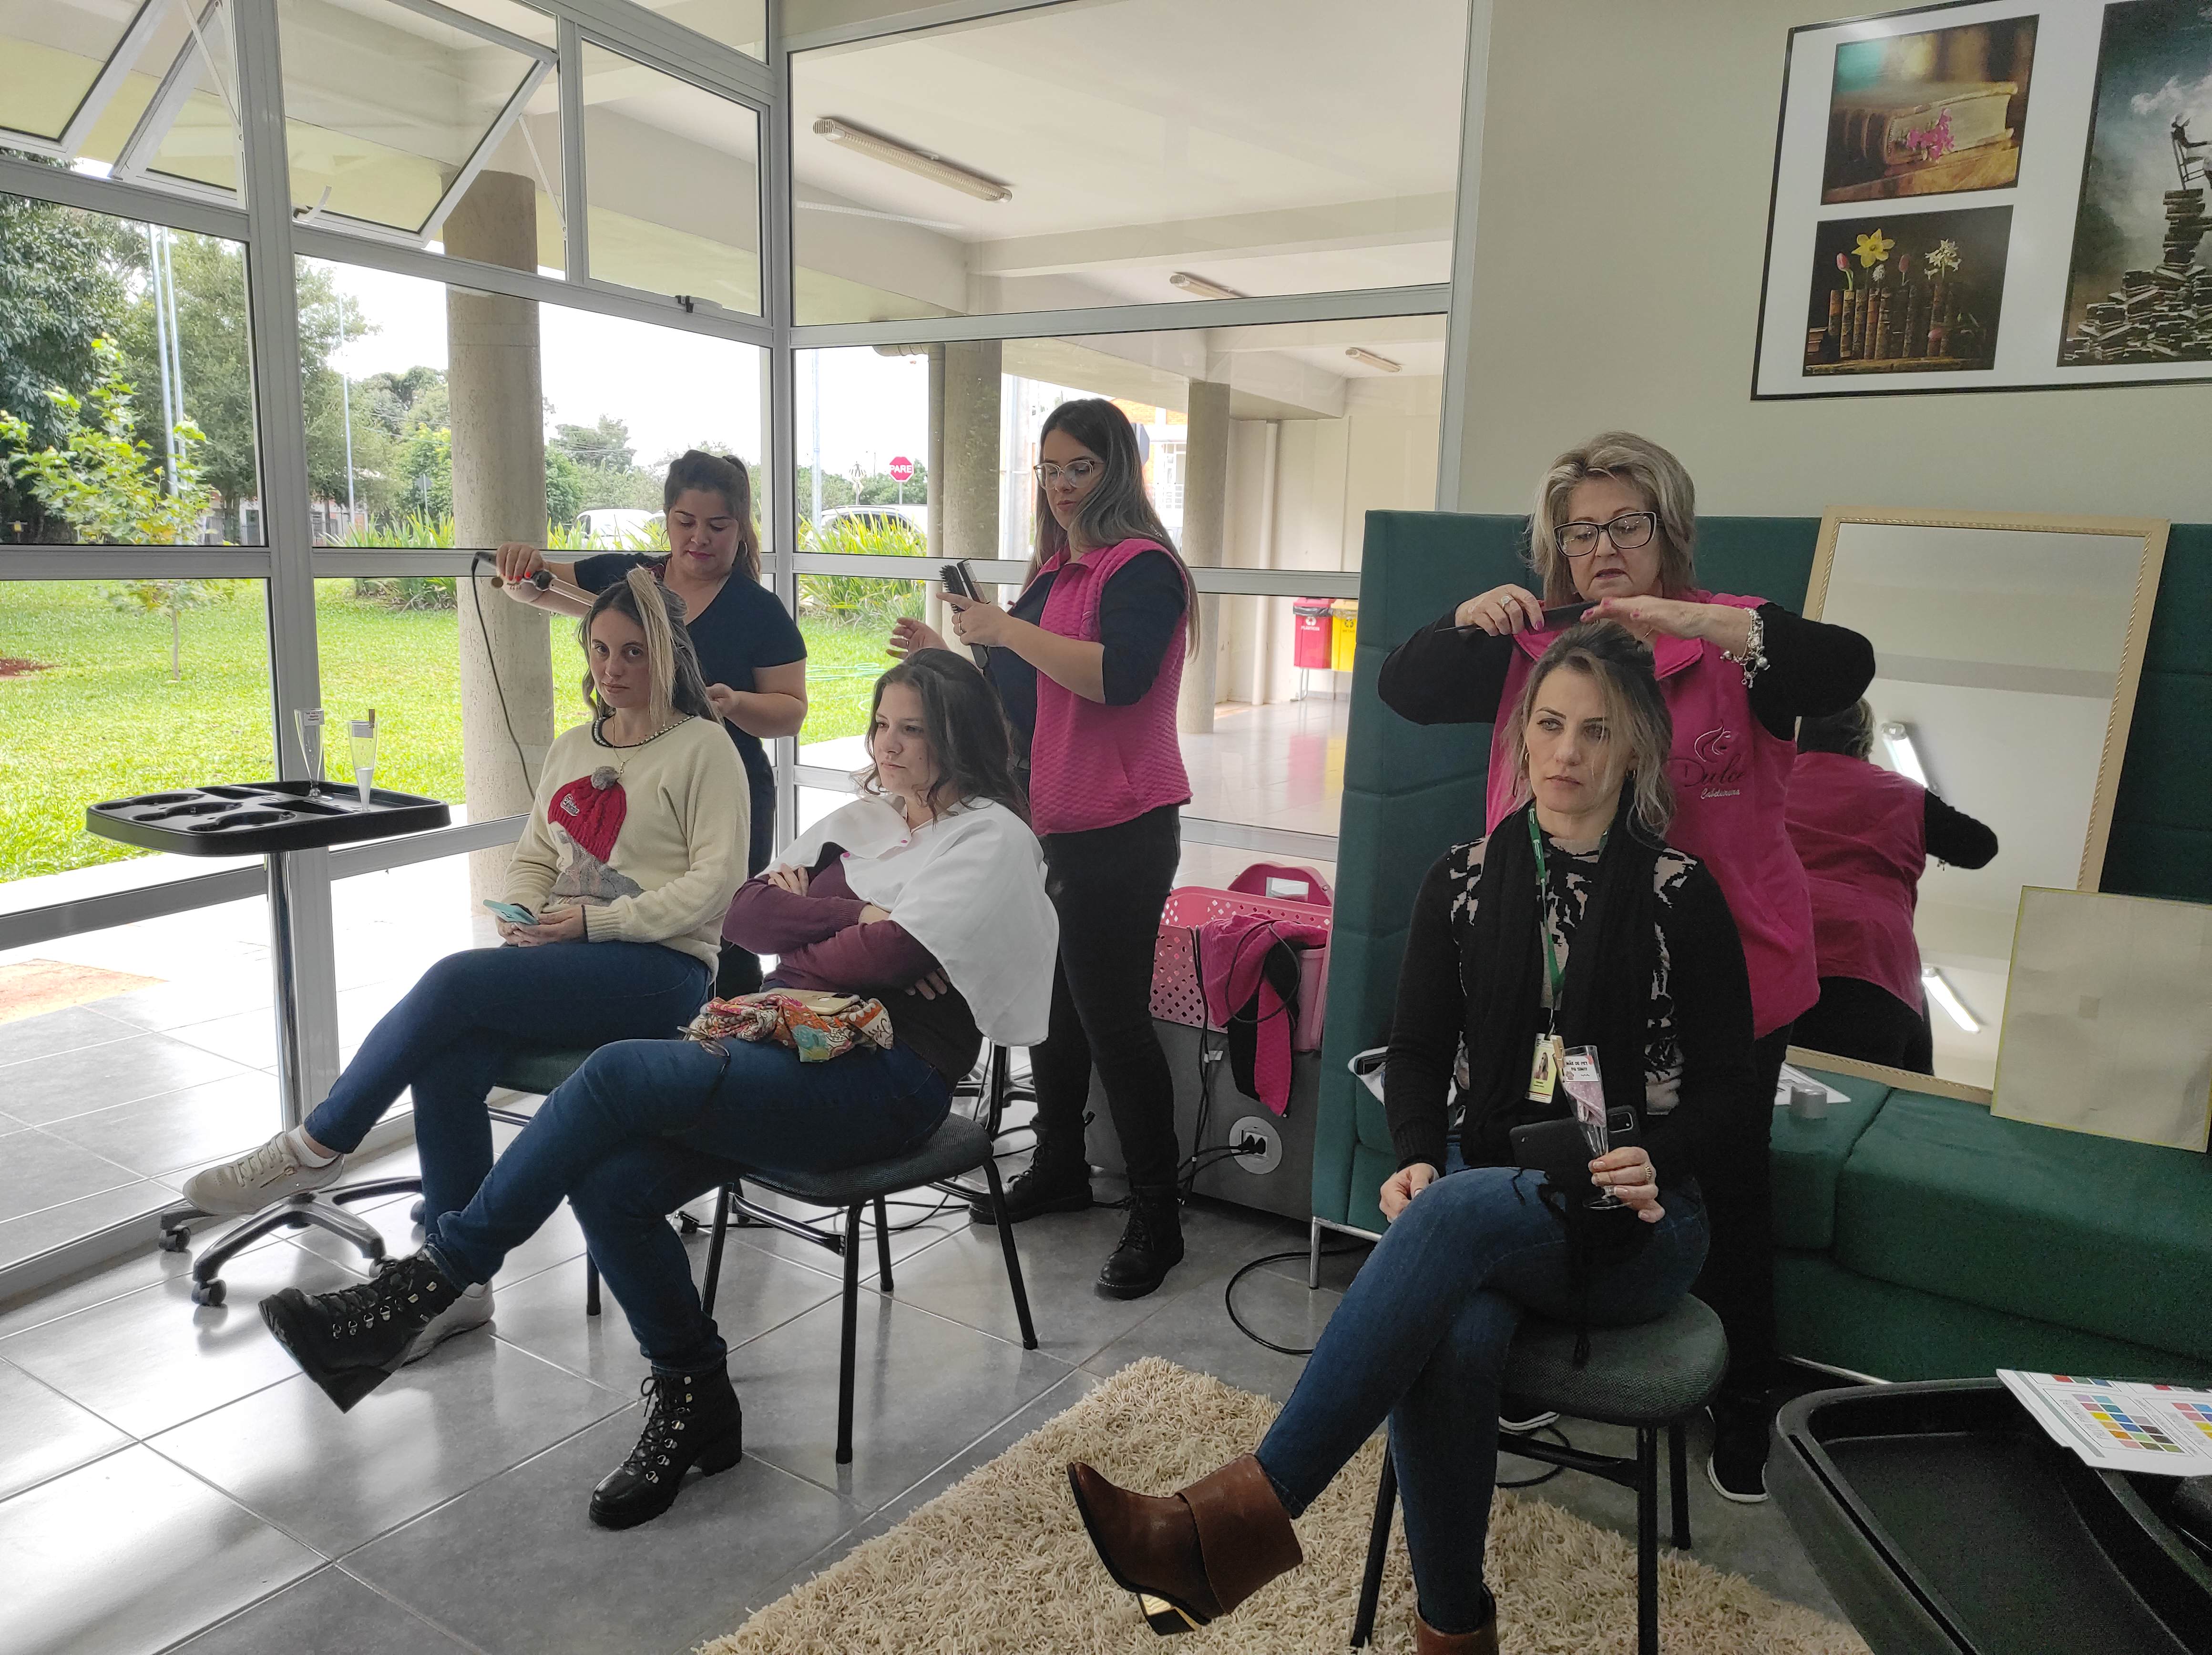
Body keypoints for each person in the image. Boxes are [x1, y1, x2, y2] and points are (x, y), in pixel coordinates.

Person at [253, 651, 1060, 1532]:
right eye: (881, 725)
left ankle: (433, 1280)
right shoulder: (863, 821)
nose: (888, 746)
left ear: (959, 737)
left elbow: (889, 955)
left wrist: (853, 935)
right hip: (777, 1037)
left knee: (616, 1071)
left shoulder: (990, 836)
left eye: (914, 730)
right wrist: (859, 921)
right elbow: (746, 915)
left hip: (885, 1079)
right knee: (611, 1186)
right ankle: (696, 1397)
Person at [1067, 624, 1756, 1655]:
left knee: (1448, 1232)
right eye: (1550, 724)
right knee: (1457, 1334)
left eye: (1597, 732)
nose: (1567, 751)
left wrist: (1664, 1153)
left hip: (1641, 1219)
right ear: (1521, 737)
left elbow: (1735, 1090)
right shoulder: (1462, 879)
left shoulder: (1682, 895)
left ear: (1635, 752)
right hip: (1491, 1192)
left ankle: (1232, 1527)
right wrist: (1420, 1156)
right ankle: (1452, 1632)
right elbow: (1420, 1050)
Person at [1374, 431, 1873, 1501]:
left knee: (1723, 1182)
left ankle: (1746, 1403)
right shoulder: (1537, 647)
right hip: (1558, 971)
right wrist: (1466, 619)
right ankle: (1536, 1348)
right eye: (1579, 530)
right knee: (1542, 1154)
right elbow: (1405, 685)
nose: (1601, 547)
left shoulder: (1737, 645)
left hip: (1727, 971)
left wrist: (1705, 622)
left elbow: (1846, 667)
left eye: (1626, 525)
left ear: (1668, 531)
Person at [187, 570, 747, 1359]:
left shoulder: (704, 747)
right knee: (448, 1054)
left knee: (454, 980)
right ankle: (458, 1290)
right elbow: (536, 856)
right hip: (571, 954)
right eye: (599, 650)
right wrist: (520, 914)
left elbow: (716, 884)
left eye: (633, 652)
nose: (612, 668)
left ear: (668, 654)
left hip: (661, 968)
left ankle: (315, 1145)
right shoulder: (574, 746)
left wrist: (596, 920)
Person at [888, 398, 1198, 1301]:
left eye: (1081, 468)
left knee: (1113, 1022)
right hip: (1052, 823)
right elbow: (1025, 699)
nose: (1062, 486)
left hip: (1123, 827)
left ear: (1119, 470)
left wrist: (1006, 630)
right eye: (1050, 469)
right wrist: (957, 652)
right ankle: (1060, 1165)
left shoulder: (1141, 568)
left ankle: (1159, 1215)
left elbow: (1117, 678)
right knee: (1054, 1009)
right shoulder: (1056, 571)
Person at [498, 449, 807, 998]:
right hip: (637, 783)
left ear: (741, 528)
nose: (699, 538)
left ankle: (723, 1033)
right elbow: (536, 587)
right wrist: (519, 573)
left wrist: (736, 702)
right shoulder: (629, 581)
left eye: (718, 526)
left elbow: (791, 710)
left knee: (724, 937)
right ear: (667, 519)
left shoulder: (757, 611)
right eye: (685, 523)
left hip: (717, 784)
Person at [1785, 699, 1998, 1073]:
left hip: (1778, 951)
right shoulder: (1902, 793)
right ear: (1864, 740)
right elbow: (1980, 847)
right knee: (1887, 1088)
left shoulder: (1772, 783)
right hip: (1873, 961)